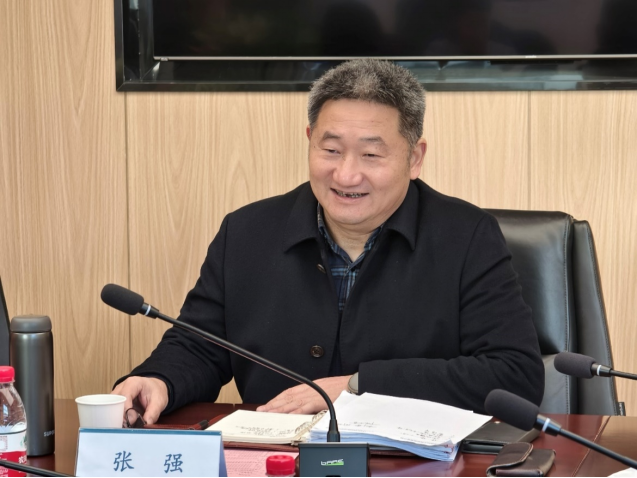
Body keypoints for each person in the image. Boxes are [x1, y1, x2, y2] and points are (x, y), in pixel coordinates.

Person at [113, 59, 544, 424]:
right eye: (331, 150)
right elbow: (199, 346)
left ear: (414, 158)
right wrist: (158, 380)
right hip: (278, 459)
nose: (346, 175)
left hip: (411, 463)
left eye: (371, 155)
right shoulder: (246, 232)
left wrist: (358, 386)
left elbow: (513, 375)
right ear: (309, 142)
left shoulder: (466, 236)